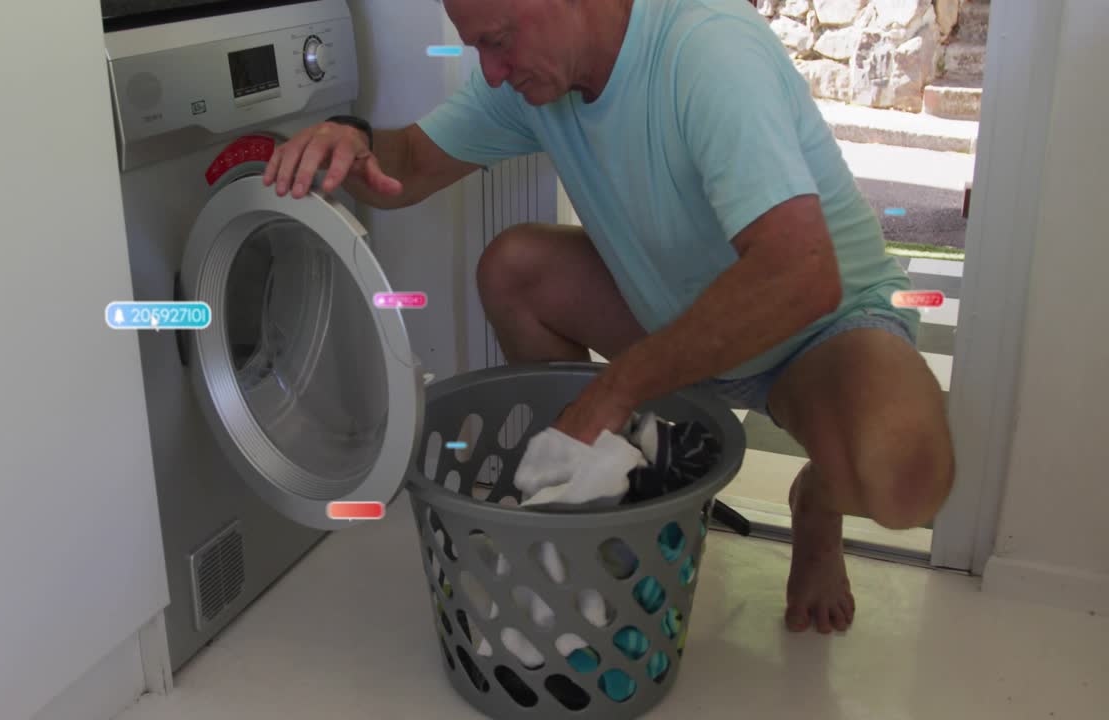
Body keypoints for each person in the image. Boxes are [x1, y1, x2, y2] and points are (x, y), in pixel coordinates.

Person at [263, 0, 955, 635]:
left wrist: (616, 388)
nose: (492, 72)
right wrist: (348, 141)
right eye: (477, 48)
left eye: (498, 42)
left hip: (817, 331)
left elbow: (802, 275)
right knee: (515, 269)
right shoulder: (536, 81)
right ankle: (589, 503)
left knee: (905, 481)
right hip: (677, 318)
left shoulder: (706, 50)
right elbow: (409, 163)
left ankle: (819, 503)